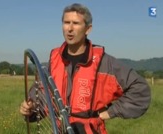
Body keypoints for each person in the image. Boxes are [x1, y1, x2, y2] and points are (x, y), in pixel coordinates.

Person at [20, 3, 151, 134]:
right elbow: (40, 99)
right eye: (66, 22)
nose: (70, 28)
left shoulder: (105, 63)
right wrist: (30, 109)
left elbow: (140, 90)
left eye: (76, 23)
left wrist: (110, 112)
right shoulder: (52, 63)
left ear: (88, 29)